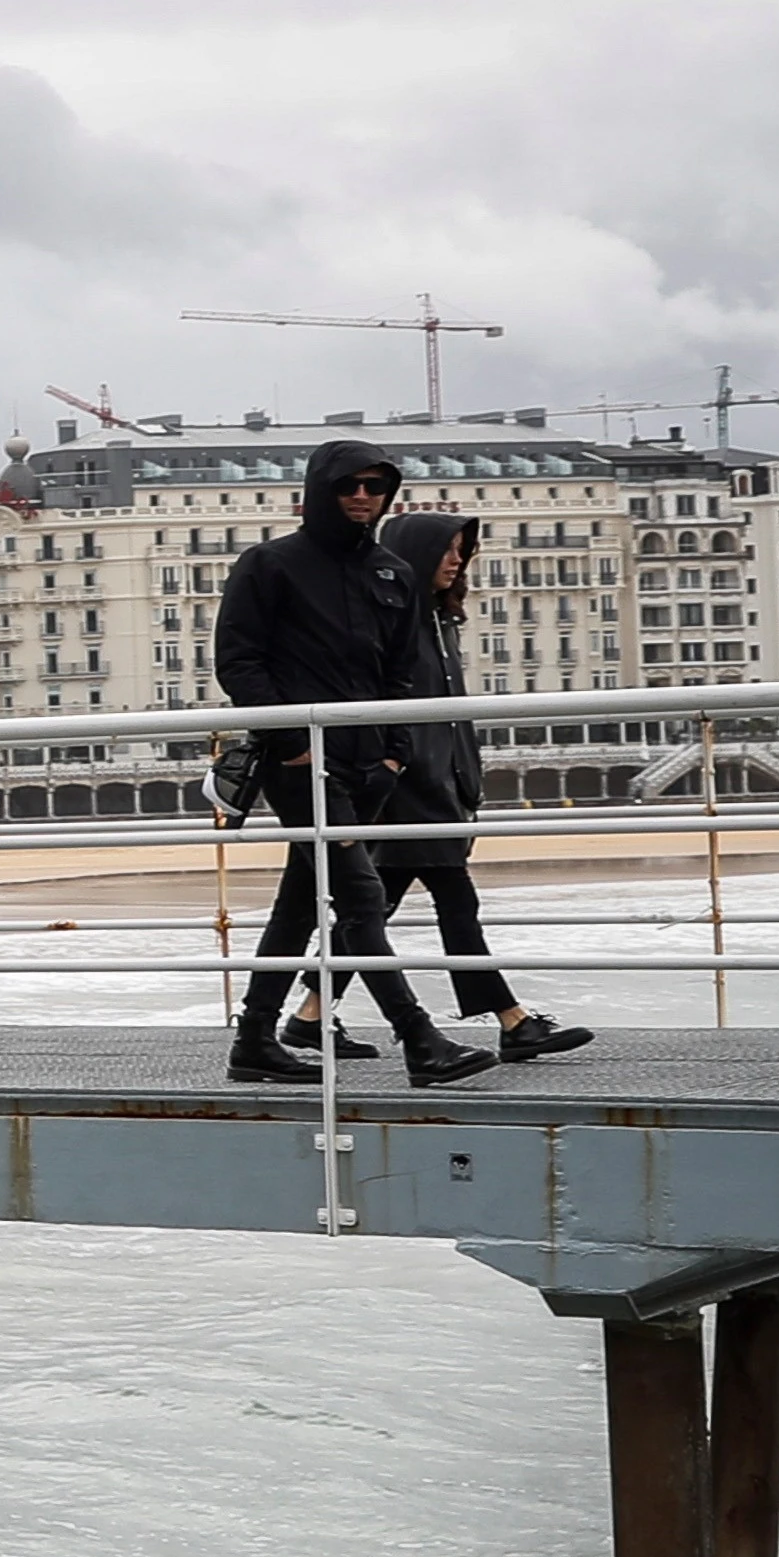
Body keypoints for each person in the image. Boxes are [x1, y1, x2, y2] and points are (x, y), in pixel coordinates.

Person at [211, 436, 490, 1087]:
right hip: (298, 763)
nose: (362, 497)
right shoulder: (267, 565)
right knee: (360, 893)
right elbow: (238, 662)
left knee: (298, 903)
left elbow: (400, 673)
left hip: (371, 768)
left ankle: (252, 1038)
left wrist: (393, 754)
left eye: (374, 486)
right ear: (320, 489)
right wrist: (290, 742)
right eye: (348, 485)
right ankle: (419, 1040)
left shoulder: (391, 573)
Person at [369, 509, 595, 1064]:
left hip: (437, 790)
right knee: (449, 903)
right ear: (413, 557)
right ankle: (512, 1022)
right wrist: (412, 772)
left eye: (462, 550)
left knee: (372, 910)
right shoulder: (395, 625)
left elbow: (453, 720)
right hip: (410, 793)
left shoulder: (440, 623)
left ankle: (308, 1017)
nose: (457, 560)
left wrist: (466, 781)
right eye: (447, 550)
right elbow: (397, 715)